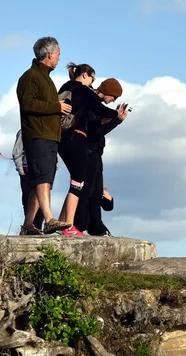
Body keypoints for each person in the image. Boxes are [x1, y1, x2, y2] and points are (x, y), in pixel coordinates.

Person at [56, 64, 127, 236]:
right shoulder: (83, 91)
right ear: (86, 75)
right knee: (82, 187)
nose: (93, 84)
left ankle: (65, 224)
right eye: (92, 79)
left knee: (84, 187)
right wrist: (116, 117)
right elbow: (96, 128)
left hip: (67, 140)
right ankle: (74, 225)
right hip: (81, 143)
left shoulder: (67, 87)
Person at [16, 36, 72, 235]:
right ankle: (49, 219)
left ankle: (28, 225)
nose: (59, 58)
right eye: (58, 54)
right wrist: (56, 106)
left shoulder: (44, 77)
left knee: (39, 181)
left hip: (47, 135)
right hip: (38, 135)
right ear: (49, 55)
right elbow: (28, 104)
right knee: (43, 178)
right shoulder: (31, 77)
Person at [74, 78, 128, 235]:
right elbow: (95, 132)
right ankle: (81, 224)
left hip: (95, 152)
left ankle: (95, 225)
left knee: (96, 191)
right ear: (108, 92)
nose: (113, 101)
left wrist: (111, 119)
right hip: (89, 150)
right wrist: (116, 121)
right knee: (87, 190)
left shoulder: (95, 105)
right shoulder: (92, 104)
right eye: (114, 97)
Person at [12, 129, 44, 232]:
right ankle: (29, 228)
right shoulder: (23, 131)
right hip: (27, 171)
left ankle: (38, 228)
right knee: (27, 200)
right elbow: (17, 151)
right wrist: (21, 171)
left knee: (41, 202)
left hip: (42, 172)